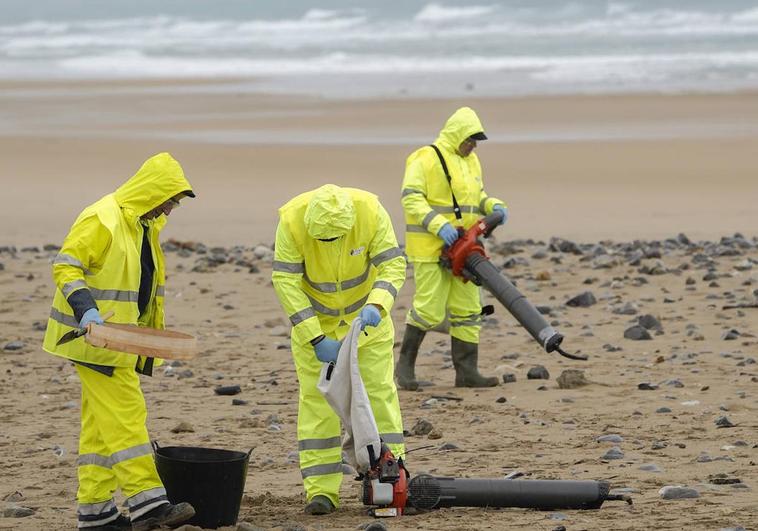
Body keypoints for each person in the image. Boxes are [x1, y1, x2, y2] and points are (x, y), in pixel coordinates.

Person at [42, 153, 197, 531]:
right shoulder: (103, 218)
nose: (172, 208)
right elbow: (66, 265)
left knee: (99, 428)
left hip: (120, 341)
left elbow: (140, 288)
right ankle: (149, 503)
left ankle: (95, 515)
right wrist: (86, 311)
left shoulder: (141, 224)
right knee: (128, 418)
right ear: (154, 192)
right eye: (171, 200)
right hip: (93, 339)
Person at [271, 184, 406, 515]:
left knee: (379, 399)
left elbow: (393, 266)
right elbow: (285, 282)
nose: (329, 243)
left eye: (335, 238)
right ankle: (322, 492)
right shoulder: (291, 220)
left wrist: (378, 303)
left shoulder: (370, 212)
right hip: (317, 330)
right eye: (323, 239)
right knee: (318, 407)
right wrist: (315, 338)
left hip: (368, 326)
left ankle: (391, 481)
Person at [397, 107, 508, 390]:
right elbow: (411, 198)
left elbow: (476, 196)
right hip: (430, 248)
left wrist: (492, 205)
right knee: (429, 310)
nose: (473, 145)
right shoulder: (425, 158)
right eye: (470, 139)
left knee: (469, 310)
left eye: (476, 141)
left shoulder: (472, 162)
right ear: (457, 134)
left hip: (466, 249)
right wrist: (437, 225)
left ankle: (467, 372)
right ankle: (404, 371)